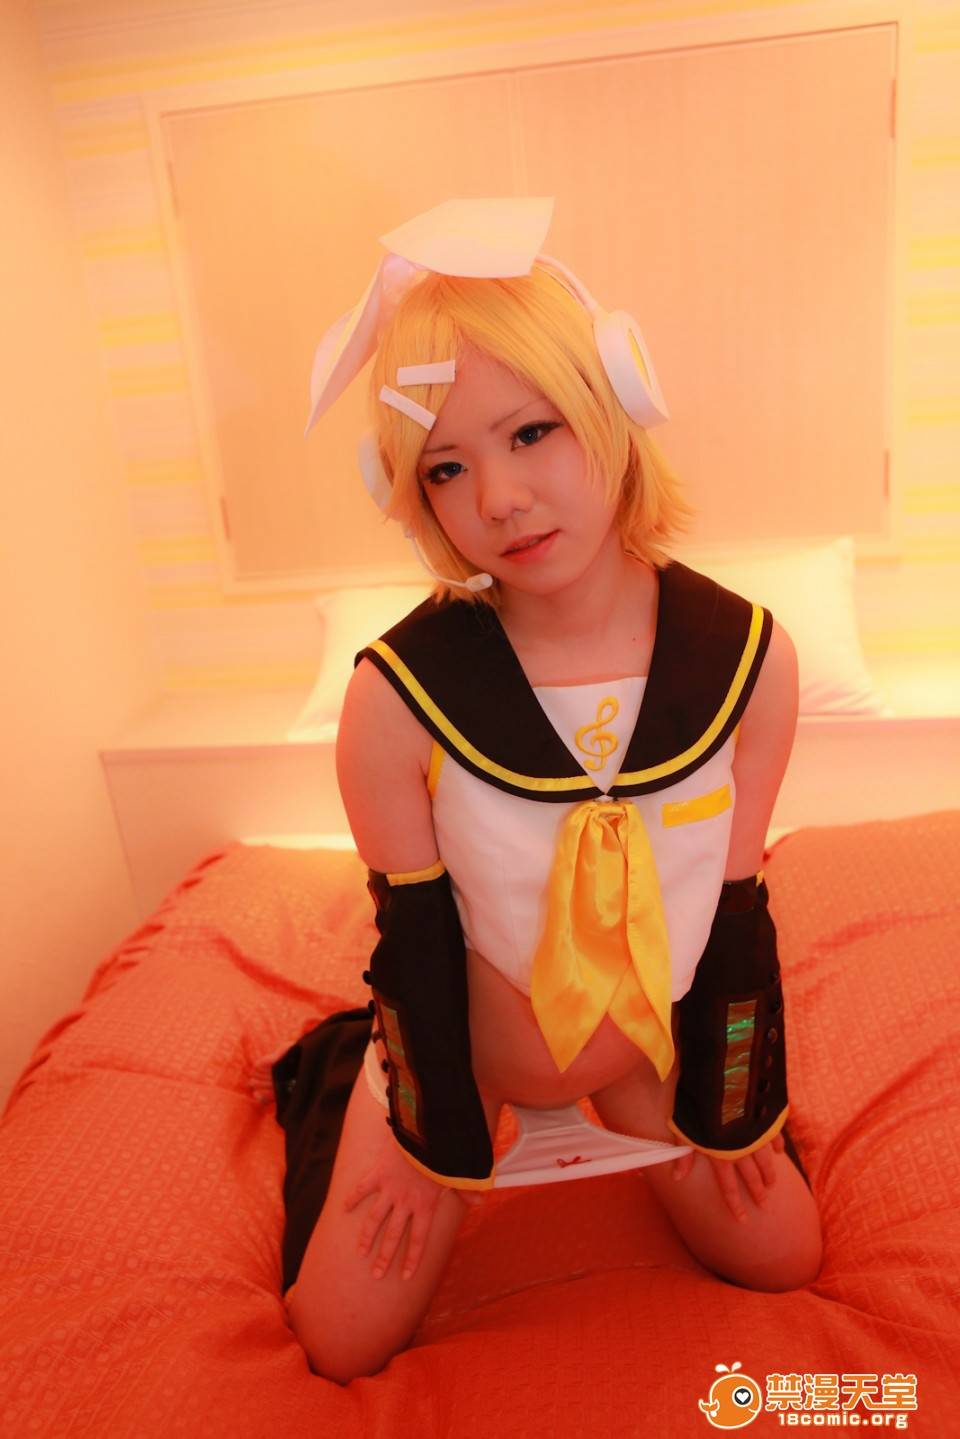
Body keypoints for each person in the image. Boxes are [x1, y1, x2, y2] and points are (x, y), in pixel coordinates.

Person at [273, 198, 823, 1383]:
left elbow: (735, 906)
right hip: (467, 1051)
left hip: (643, 1039)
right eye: (448, 467)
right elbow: (414, 934)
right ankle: (342, 1068)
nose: (501, 498)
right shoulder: (394, 699)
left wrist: (732, 1102)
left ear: (614, 401)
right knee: (340, 1336)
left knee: (786, 1253)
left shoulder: (751, 662)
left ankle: (627, 1095)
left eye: (532, 432)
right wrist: (429, 1128)